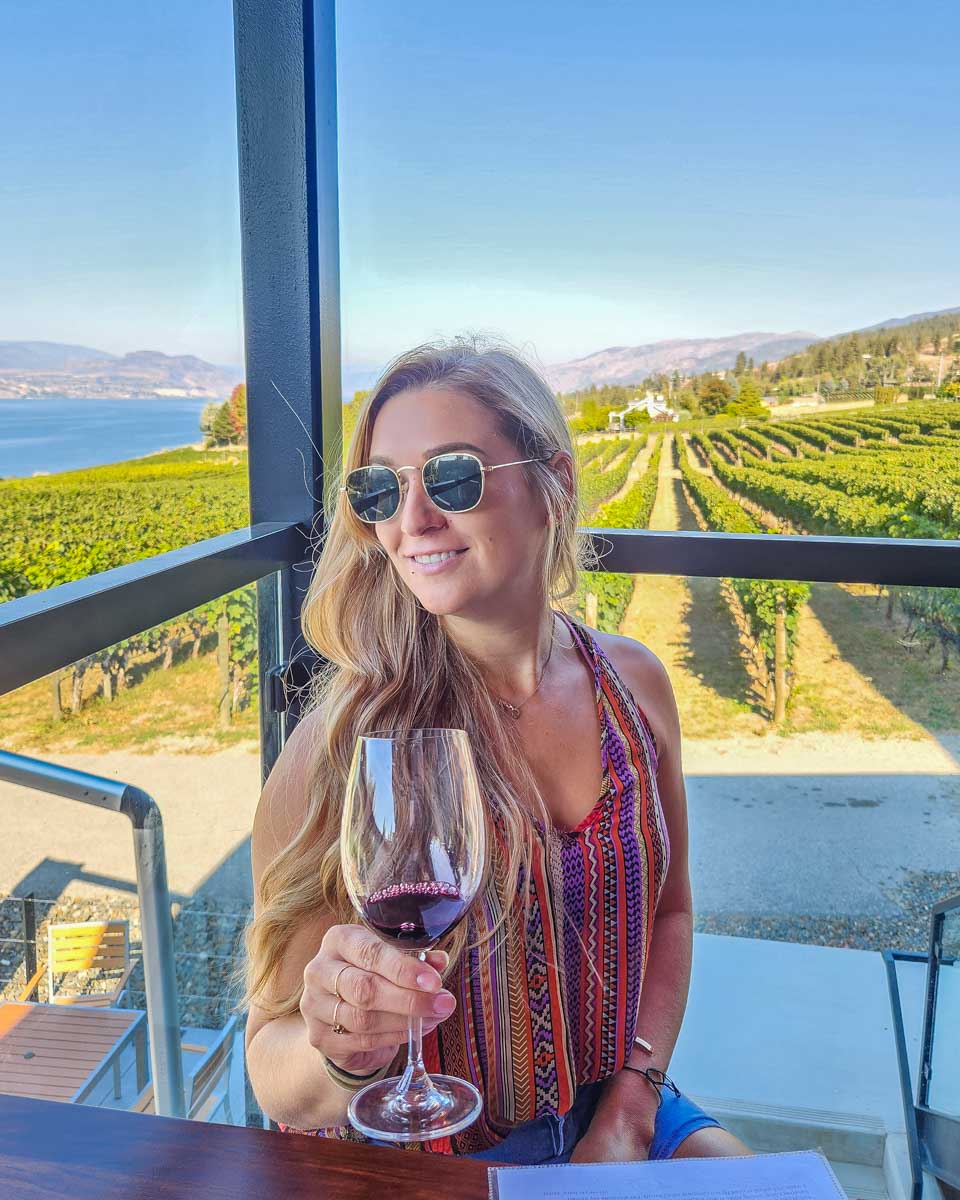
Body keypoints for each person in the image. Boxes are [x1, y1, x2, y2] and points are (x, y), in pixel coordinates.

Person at [242, 338, 751, 1162]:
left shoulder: (636, 687)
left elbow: (672, 912)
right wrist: (338, 1049)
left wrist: (630, 1102)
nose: (413, 522)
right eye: (380, 491)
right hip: (427, 1153)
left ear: (554, 486)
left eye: (452, 477)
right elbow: (271, 1067)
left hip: (619, 1103)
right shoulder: (339, 748)